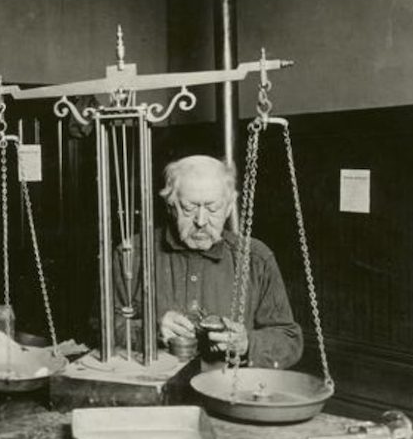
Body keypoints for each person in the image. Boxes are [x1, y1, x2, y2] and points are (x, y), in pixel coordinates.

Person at [113, 154, 302, 368]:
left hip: (227, 392)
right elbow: (101, 327)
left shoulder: (256, 259)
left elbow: (289, 340)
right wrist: (151, 330)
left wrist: (247, 343)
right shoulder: (132, 254)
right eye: (189, 208)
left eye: (213, 209)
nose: (201, 221)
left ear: (229, 207)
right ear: (170, 206)